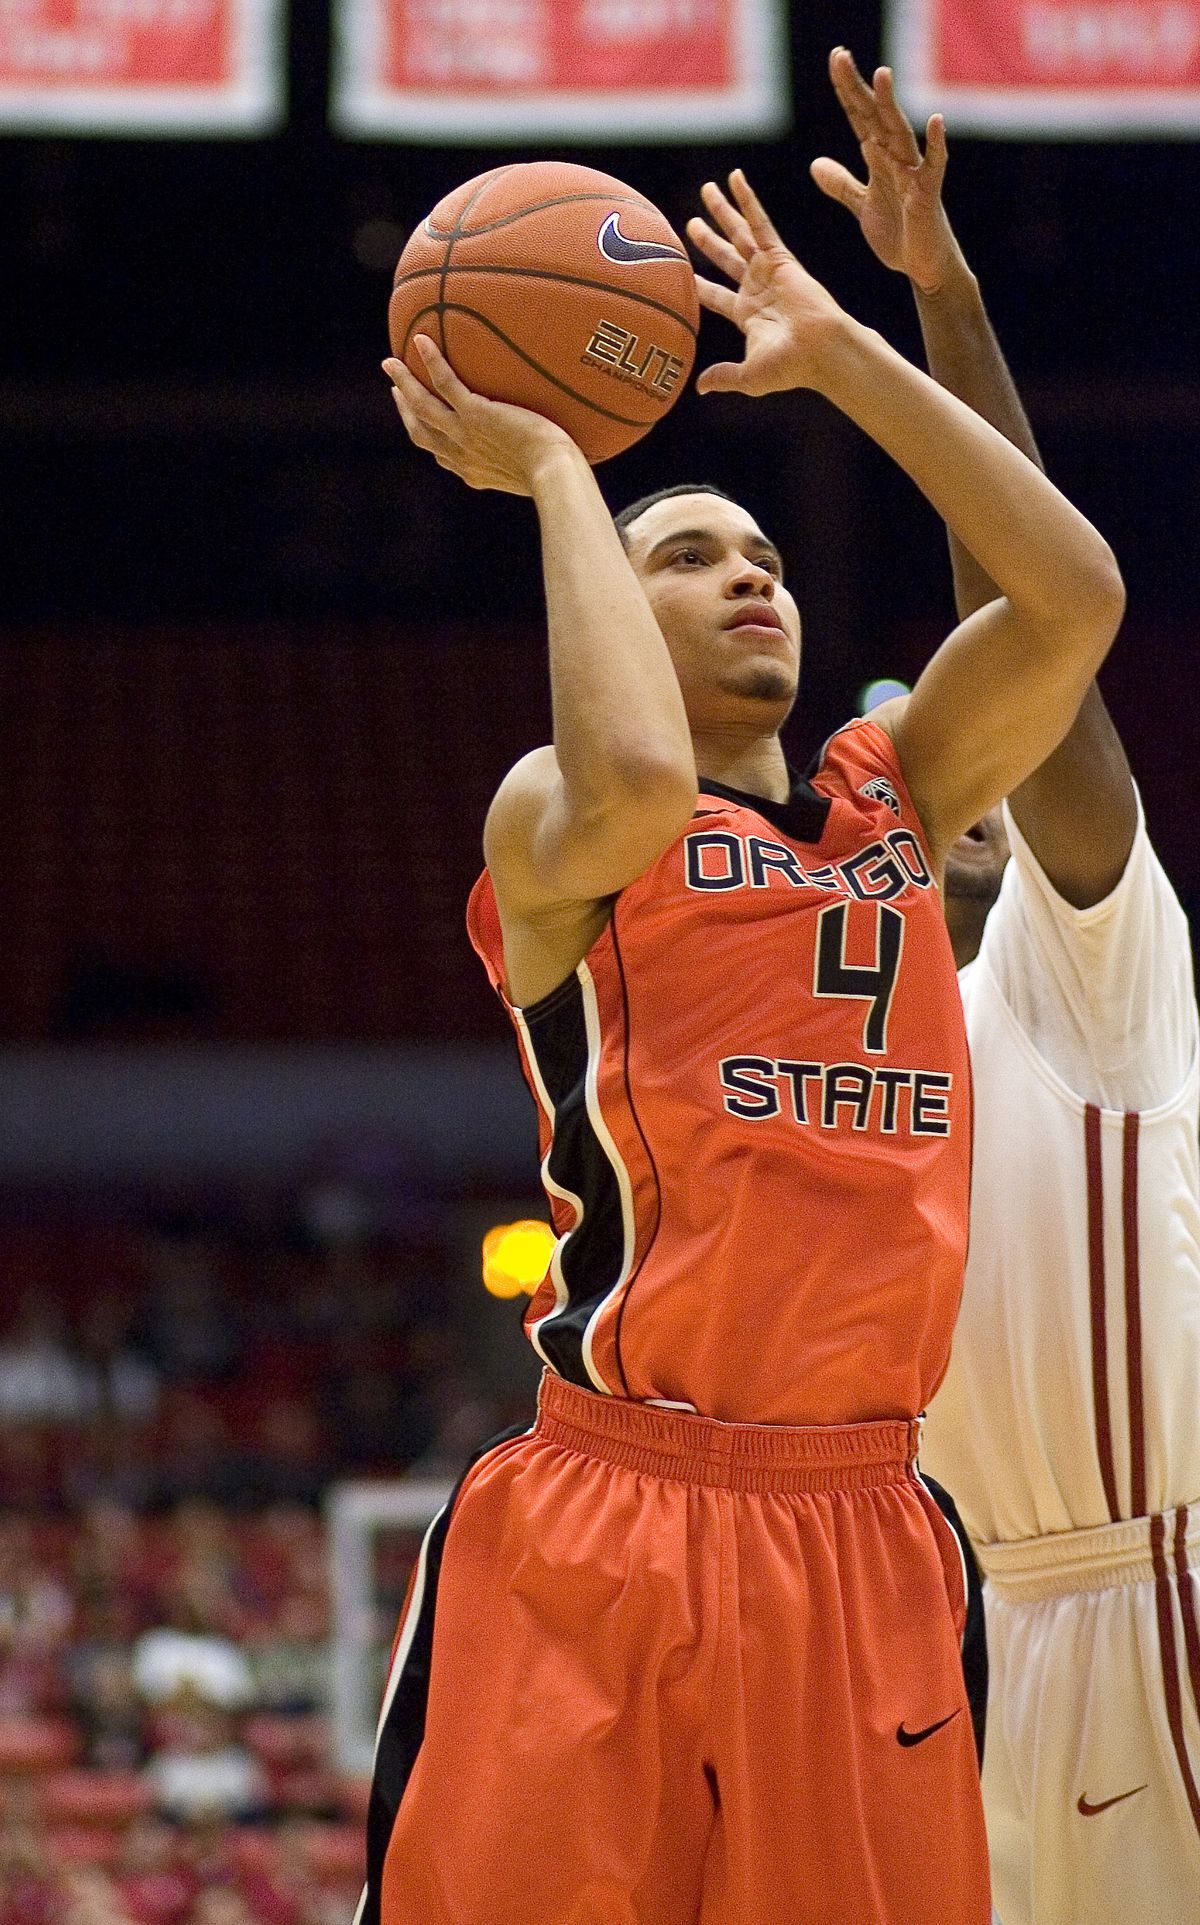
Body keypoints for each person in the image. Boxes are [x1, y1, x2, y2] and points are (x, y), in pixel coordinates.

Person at [365, 146, 1125, 1925]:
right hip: (604, 1510)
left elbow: (1072, 595)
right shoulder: (560, 820)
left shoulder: (893, 796)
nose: (751, 579)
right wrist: (560, 465)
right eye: (689, 560)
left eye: (767, 555)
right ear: (606, 615)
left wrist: (848, 349)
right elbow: (636, 769)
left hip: (862, 1523)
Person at [814, 45, 1200, 1924]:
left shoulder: (1084, 962)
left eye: (955, 748)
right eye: (895, 757)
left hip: (1157, 1591)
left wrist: (937, 301)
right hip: (960, 1644)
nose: (938, 775)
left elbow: (1033, 622)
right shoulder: (844, 1051)